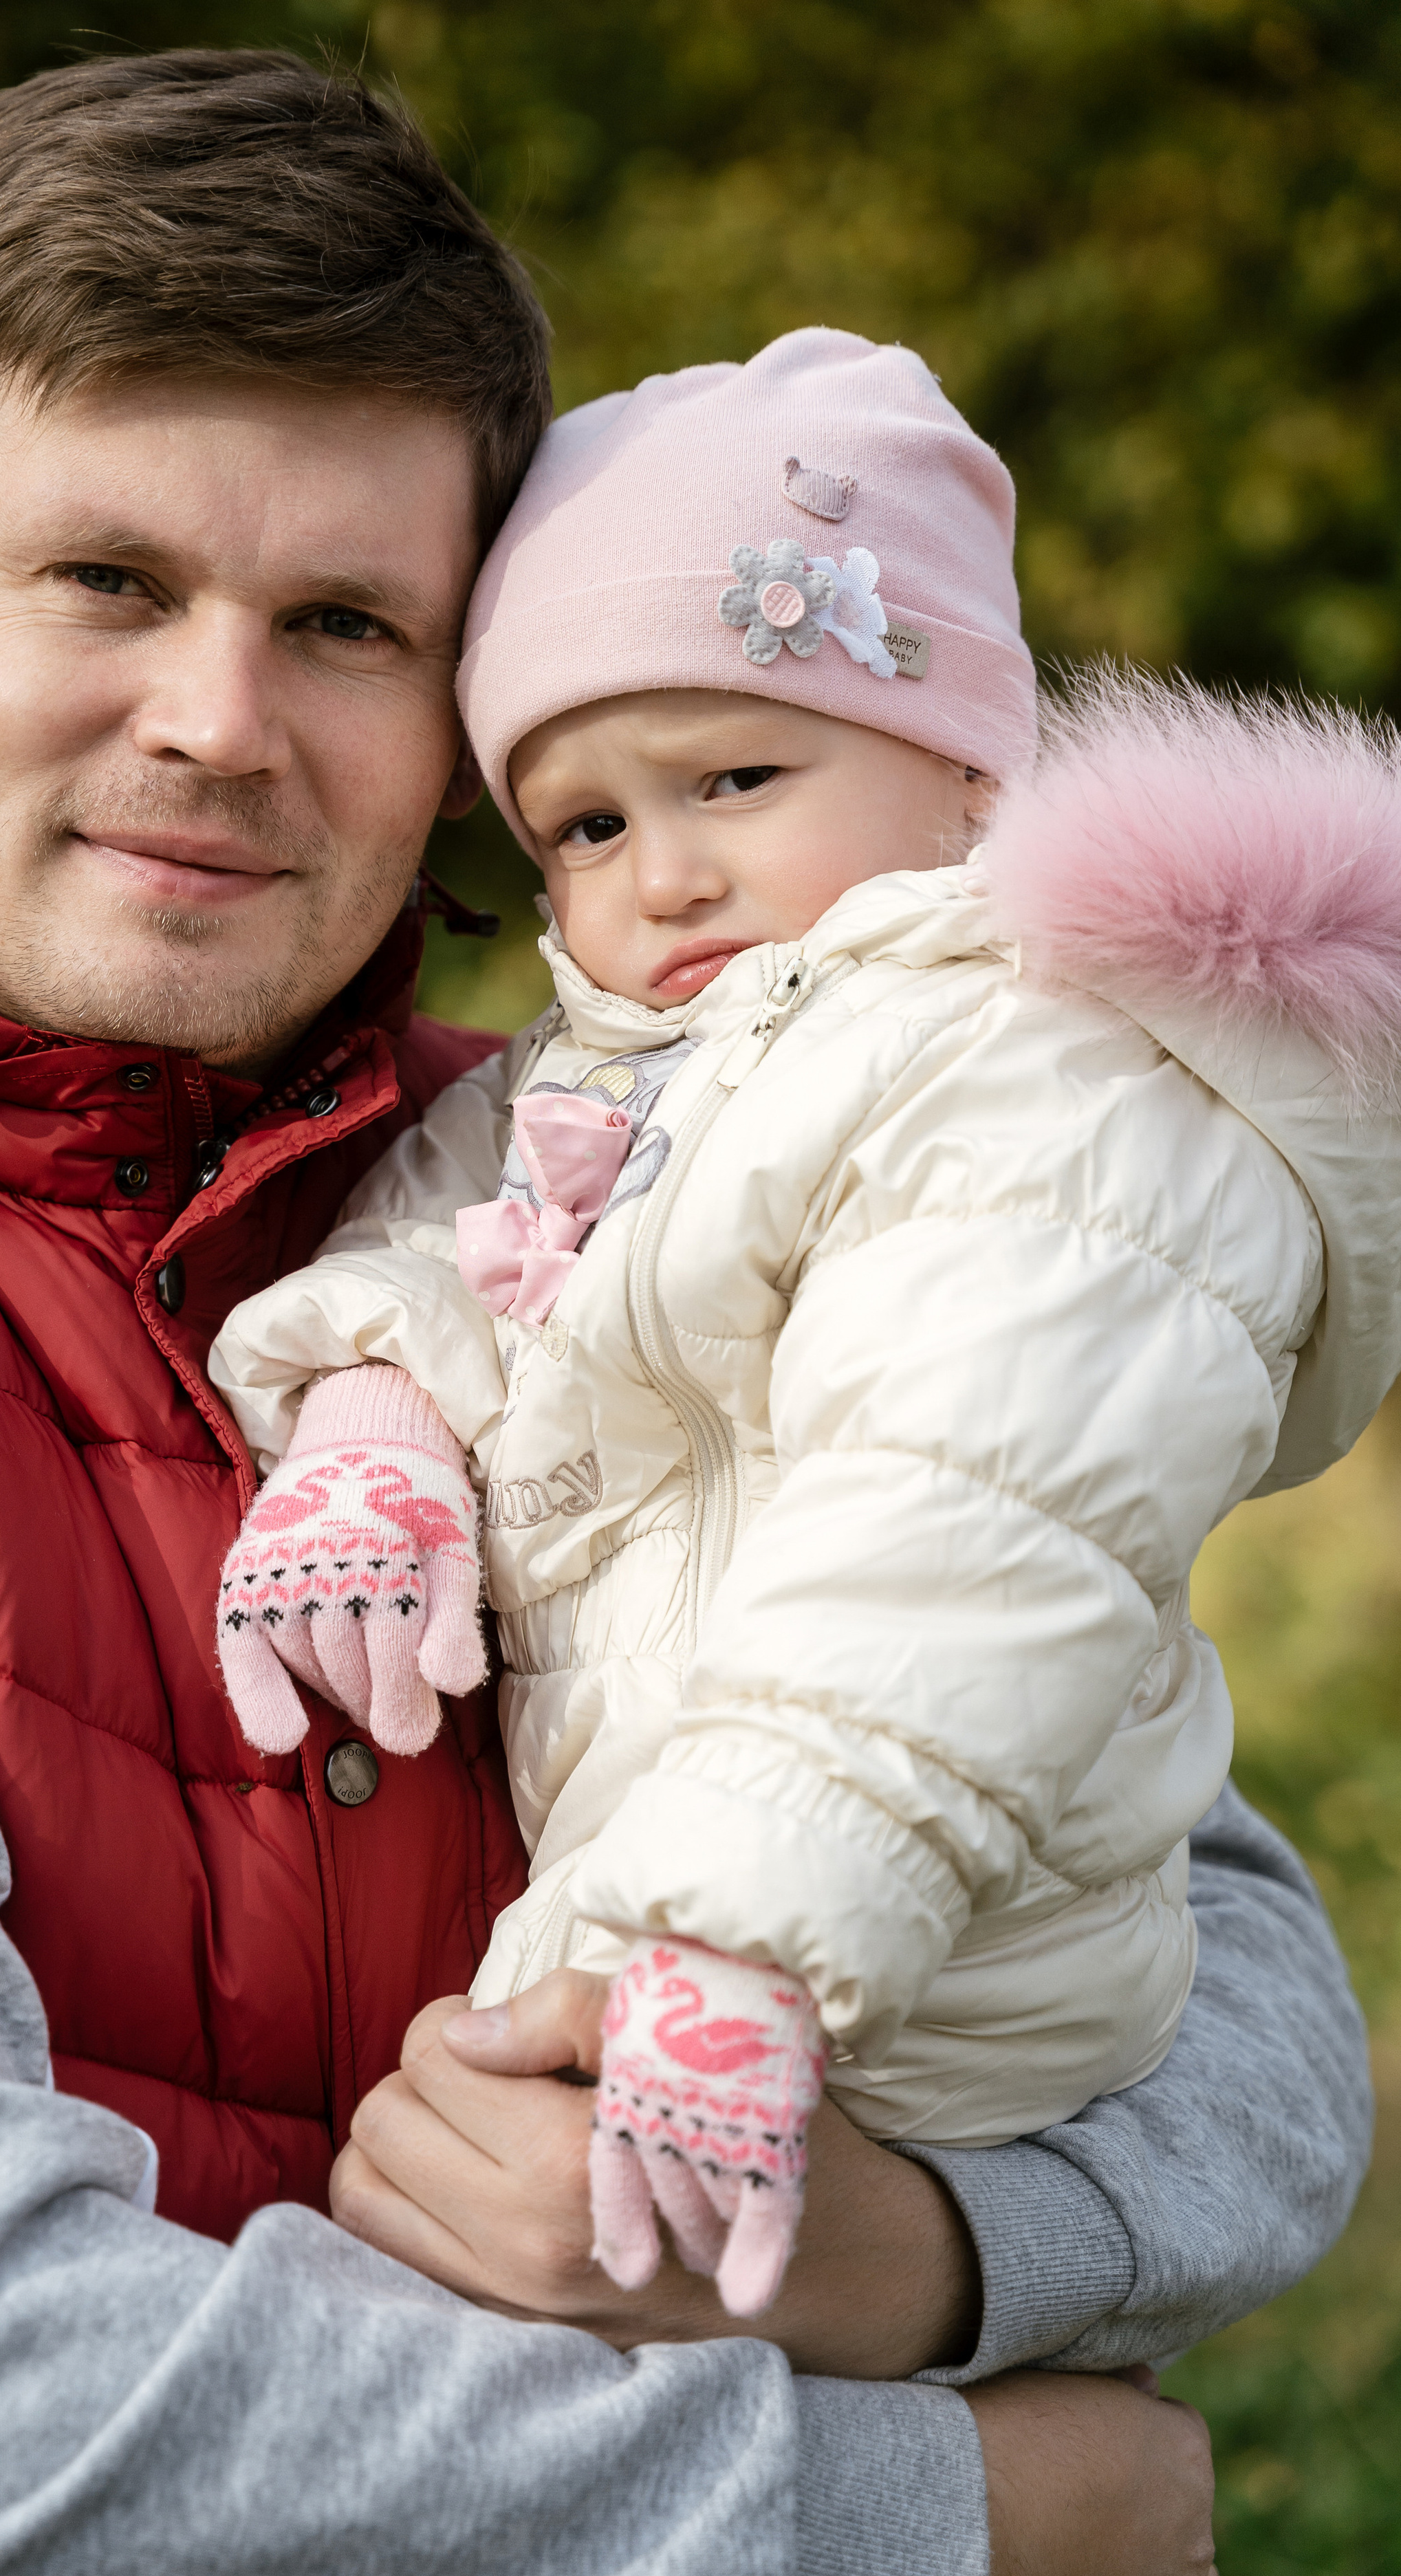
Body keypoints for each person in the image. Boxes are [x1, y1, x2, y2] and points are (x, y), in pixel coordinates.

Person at [0, 47, 1371, 2576]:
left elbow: (1233, 1976)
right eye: (106, 578)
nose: (220, 722)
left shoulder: (613, 1171)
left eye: (346, 625)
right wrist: (956, 2539)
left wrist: (904, 2250)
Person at [208, 327, 1401, 2320]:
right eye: (585, 827)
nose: (664, 873)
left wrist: (735, 1940)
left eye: (735, 778)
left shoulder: (1056, 1087)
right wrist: (377, 1428)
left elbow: (963, 1536)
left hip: (912, 1959)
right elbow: (442, 1217)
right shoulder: (645, 1061)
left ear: (968, 770)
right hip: (690, 1902)